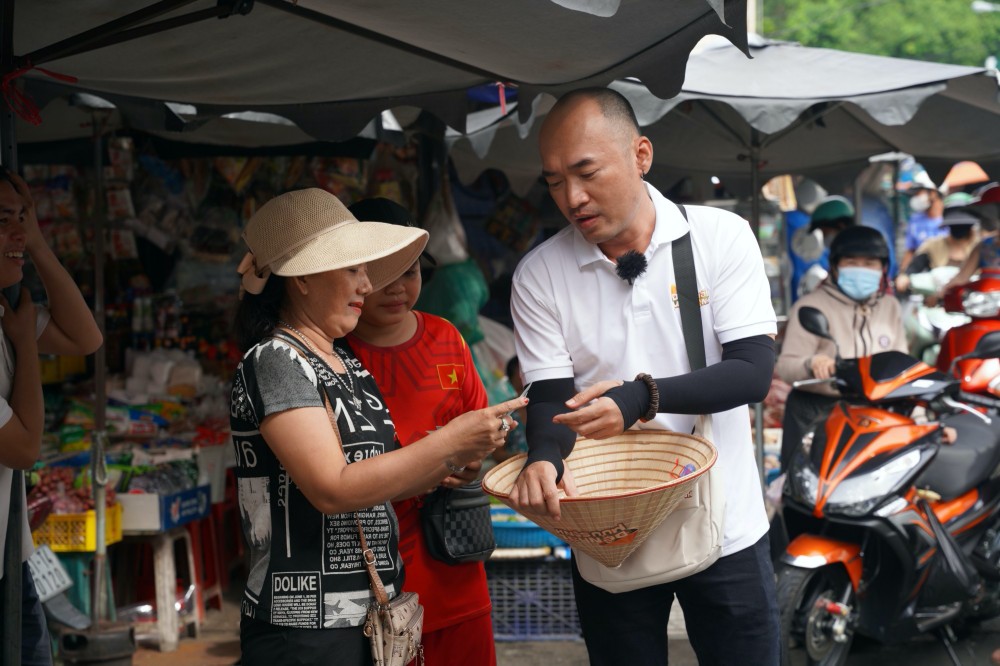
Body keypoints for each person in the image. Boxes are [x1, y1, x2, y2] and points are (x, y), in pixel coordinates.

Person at [507, 88, 780, 665]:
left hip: (724, 519)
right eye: (554, 181)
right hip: (608, 531)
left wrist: (640, 399)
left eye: (586, 172)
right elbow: (552, 397)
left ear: (641, 154)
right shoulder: (540, 273)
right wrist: (543, 458)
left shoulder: (719, 237)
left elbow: (752, 372)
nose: (572, 198)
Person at [229, 188, 525, 666]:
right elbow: (332, 488)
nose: (368, 286)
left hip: (367, 614)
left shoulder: (342, 361)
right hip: (305, 626)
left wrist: (461, 458)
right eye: (354, 269)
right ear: (303, 277)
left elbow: (384, 475)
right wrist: (449, 442)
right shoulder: (277, 359)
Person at [342, 197, 497, 665]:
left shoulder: (446, 336)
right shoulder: (331, 355)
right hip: (372, 575)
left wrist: (472, 461)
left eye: (408, 273)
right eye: (380, 277)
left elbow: (484, 428)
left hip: (453, 555)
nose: (396, 290)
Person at [0, 167, 102, 665]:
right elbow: (22, 448)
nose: (18, 232)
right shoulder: (12, 325)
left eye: (22, 217)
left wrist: (37, 245)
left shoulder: (5, 310)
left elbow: (86, 339)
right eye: (3, 220)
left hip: (10, 557)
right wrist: (23, 344)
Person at [776, 225, 906, 471]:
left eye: (870, 263)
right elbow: (785, 367)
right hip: (818, 415)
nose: (861, 269)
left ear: (883, 268)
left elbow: (902, 369)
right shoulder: (811, 305)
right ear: (835, 266)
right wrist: (811, 363)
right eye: (851, 262)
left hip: (874, 414)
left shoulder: (890, 306)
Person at [896, 193, 980, 294]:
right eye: (955, 225)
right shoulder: (933, 245)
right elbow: (914, 267)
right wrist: (904, 277)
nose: (959, 228)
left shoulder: (982, 248)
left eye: (963, 225)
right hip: (938, 302)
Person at [794, 195, 855, 296]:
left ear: (841, 226)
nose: (824, 239)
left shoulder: (857, 256)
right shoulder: (837, 258)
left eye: (825, 233)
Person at [900, 172, 945, 273]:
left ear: (933, 193)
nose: (916, 198)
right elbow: (910, 250)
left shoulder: (950, 219)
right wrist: (902, 274)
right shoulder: (915, 220)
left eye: (919, 193)